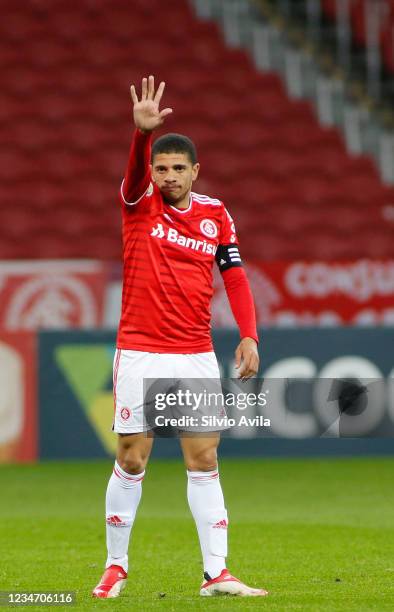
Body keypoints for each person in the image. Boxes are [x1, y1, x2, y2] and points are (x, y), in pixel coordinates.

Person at [92, 76, 268, 598]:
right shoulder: (138, 205)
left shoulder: (216, 215)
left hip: (194, 354)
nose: (167, 176)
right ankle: (116, 564)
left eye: (176, 168)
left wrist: (249, 335)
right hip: (141, 350)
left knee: (205, 459)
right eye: (159, 168)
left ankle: (217, 573)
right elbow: (129, 179)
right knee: (132, 457)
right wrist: (140, 136)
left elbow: (234, 276)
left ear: (195, 170)